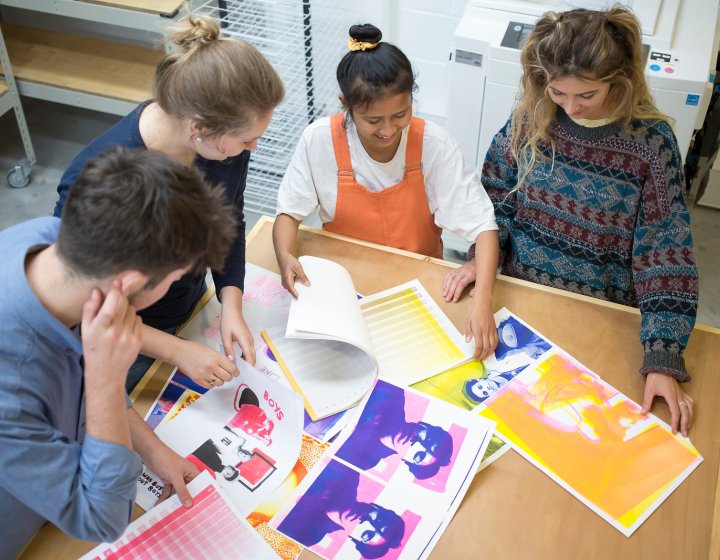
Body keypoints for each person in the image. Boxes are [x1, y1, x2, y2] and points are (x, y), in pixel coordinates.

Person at [452, 7, 699, 436]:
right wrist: (482, 257)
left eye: (586, 96)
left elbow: (664, 256)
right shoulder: (531, 117)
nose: (570, 107)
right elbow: (494, 197)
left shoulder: (650, 144)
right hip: (520, 302)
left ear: (619, 81)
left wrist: (663, 357)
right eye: (558, 93)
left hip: (599, 319)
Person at [0, 148, 238, 557]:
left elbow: (78, 383)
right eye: (176, 278)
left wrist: (151, 448)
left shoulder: (50, 241)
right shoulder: (12, 389)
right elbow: (100, 520)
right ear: (127, 283)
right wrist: (107, 379)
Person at [53, 14, 285, 391]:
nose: (252, 148)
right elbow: (84, 304)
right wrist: (175, 350)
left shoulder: (223, 146)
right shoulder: (97, 181)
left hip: (190, 311)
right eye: (246, 140)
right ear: (198, 128)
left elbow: (230, 222)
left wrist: (231, 303)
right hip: (127, 334)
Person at [272, 23, 499, 360]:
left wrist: (483, 302)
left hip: (418, 288)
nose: (389, 129)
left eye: (400, 114)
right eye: (373, 120)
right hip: (344, 288)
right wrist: (284, 255)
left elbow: (483, 227)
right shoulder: (319, 140)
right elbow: (288, 213)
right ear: (345, 105)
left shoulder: (433, 145)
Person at [277, 459, 405, 559]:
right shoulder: (349, 474)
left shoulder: (304, 538)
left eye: (367, 535)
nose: (364, 522)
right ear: (376, 507)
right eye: (379, 521)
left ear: (353, 538)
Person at [336, 381, 453, 481]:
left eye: (419, 456)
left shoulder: (363, 461)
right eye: (428, 439)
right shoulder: (395, 394)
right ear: (424, 424)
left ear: (405, 461)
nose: (415, 444)